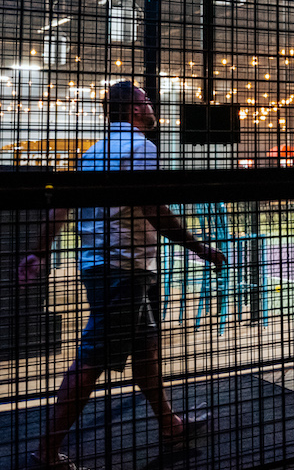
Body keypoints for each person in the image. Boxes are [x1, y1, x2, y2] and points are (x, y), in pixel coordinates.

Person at [18, 81, 227, 470]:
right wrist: (199, 247)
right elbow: (153, 207)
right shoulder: (141, 148)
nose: (151, 106)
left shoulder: (93, 152)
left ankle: (170, 425)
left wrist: (39, 251)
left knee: (145, 347)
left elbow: (62, 205)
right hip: (123, 266)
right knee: (92, 359)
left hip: (104, 264)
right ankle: (46, 452)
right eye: (146, 101)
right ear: (133, 109)